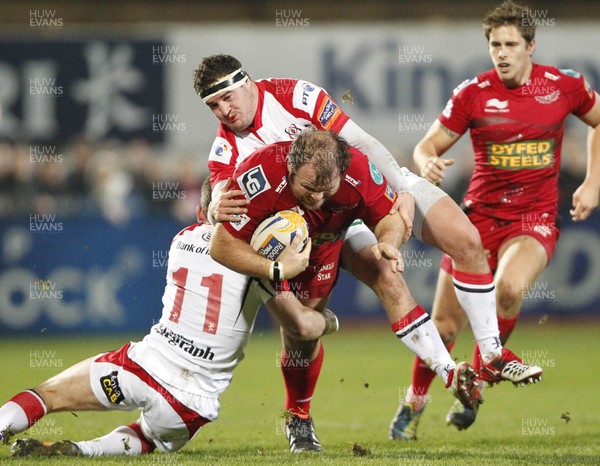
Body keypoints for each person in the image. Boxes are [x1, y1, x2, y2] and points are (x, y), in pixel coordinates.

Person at [194, 54, 541, 448]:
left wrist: (403, 195)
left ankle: (485, 356)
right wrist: (213, 208)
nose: (224, 111)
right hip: (302, 237)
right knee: (302, 332)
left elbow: (360, 141)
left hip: (352, 199)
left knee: (454, 244)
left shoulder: (297, 97)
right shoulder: (228, 154)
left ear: (247, 81)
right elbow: (217, 206)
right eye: (213, 106)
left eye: (227, 97)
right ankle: (299, 415)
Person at [0, 180, 338, 458]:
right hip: (188, 406)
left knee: (46, 396)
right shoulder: (260, 265)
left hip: (141, 370)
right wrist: (326, 318)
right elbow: (302, 327)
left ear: (200, 212)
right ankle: (80, 450)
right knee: (148, 437)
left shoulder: (182, 239)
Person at [393, 0, 600, 440]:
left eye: (510, 44)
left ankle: (478, 389)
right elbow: (427, 146)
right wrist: (427, 161)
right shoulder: (473, 93)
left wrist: (592, 183)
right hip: (477, 220)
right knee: (445, 326)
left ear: (530, 46)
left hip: (534, 218)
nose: (501, 53)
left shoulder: (563, 86)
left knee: (508, 289)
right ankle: (412, 404)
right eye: (494, 45)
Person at [210, 128, 487, 451]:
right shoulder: (259, 177)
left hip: (334, 236)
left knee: (388, 275)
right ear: (290, 166)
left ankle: (448, 371)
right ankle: (299, 415)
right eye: (309, 189)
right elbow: (221, 245)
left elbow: (390, 217)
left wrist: (388, 241)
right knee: (302, 331)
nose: (317, 199)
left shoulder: (357, 170)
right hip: (280, 254)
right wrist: (276, 268)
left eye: (326, 191)